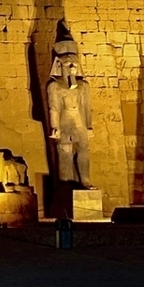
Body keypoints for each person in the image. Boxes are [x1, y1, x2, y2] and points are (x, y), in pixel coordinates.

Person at [46, 21, 94, 188]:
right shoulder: (55, 86)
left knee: (83, 151)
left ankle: (85, 180)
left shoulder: (83, 86)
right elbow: (54, 108)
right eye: (69, 65)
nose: (73, 68)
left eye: (75, 64)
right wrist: (55, 126)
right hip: (64, 121)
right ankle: (64, 183)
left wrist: (89, 125)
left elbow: (86, 107)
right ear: (59, 65)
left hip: (79, 122)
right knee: (65, 151)